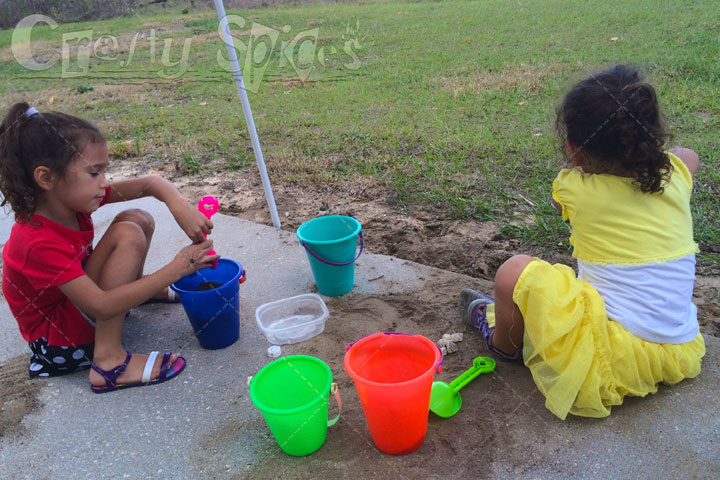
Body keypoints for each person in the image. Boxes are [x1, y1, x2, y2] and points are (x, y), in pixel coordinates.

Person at [461, 65, 705, 419]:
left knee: (513, 272)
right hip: (679, 349)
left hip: (613, 354)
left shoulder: (574, 189)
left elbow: (560, 202)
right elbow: (689, 156)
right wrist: (663, 160)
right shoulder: (677, 176)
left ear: (575, 153)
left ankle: (503, 343)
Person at [0, 102, 220, 393]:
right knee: (127, 234)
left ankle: (138, 289)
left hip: (75, 308)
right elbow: (99, 305)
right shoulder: (35, 241)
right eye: (94, 173)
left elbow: (150, 184)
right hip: (59, 342)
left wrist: (178, 205)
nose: (105, 183)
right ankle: (108, 361)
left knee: (136, 217)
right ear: (46, 178)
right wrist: (182, 267)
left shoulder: (64, 201)